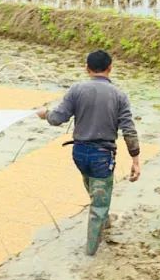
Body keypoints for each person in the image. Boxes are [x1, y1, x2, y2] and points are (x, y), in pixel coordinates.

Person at [36, 50, 141, 255]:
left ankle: (105, 221)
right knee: (99, 203)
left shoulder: (77, 90)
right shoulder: (119, 95)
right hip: (102, 155)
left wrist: (44, 114)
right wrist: (135, 160)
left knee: (96, 193)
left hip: (79, 153)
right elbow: (128, 130)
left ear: (87, 68)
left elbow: (58, 118)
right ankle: (90, 254)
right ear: (110, 68)